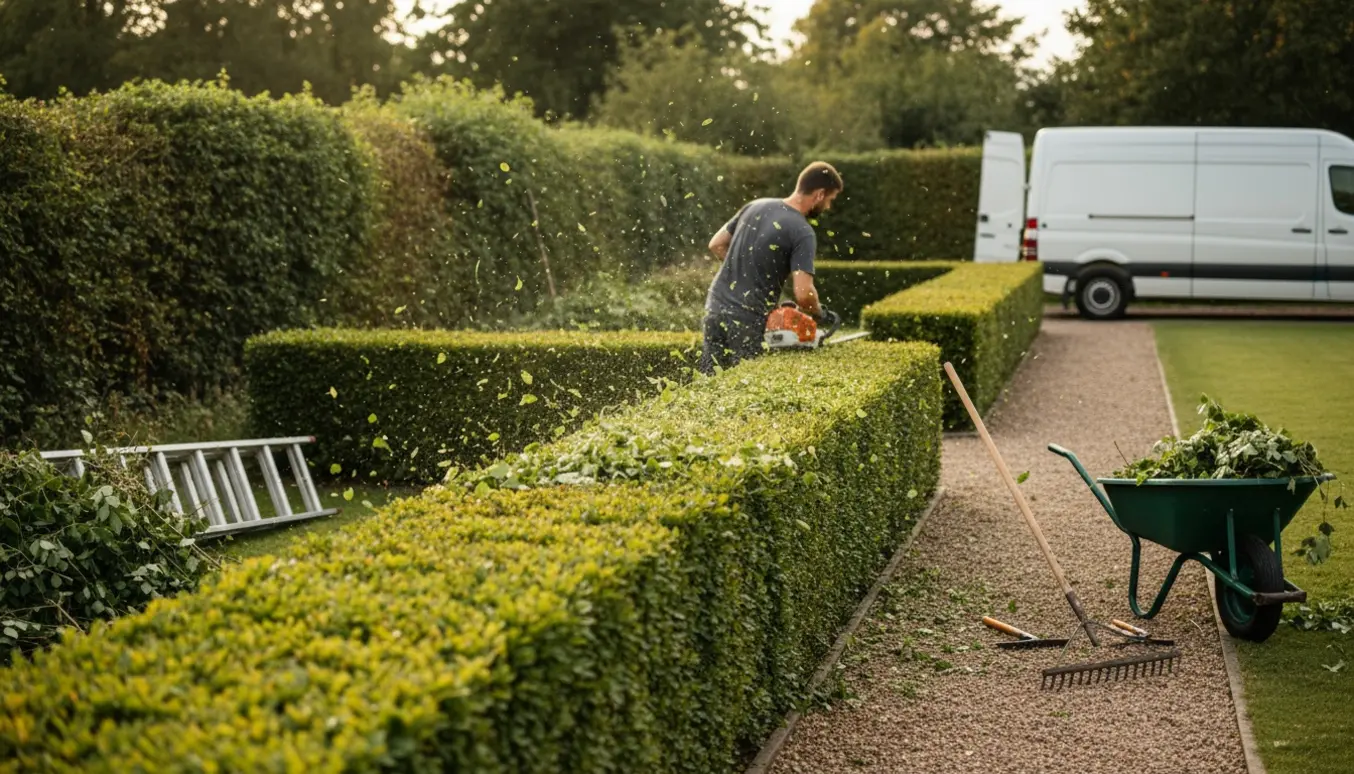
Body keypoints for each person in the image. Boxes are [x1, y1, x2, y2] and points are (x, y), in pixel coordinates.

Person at [696, 161, 843, 375]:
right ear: (819, 194)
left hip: (715, 308)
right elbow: (804, 295)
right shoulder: (802, 231)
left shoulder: (755, 206)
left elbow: (716, 244)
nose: (828, 207)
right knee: (743, 389)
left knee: (710, 382)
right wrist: (818, 312)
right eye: (830, 200)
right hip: (748, 318)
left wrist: (746, 269)